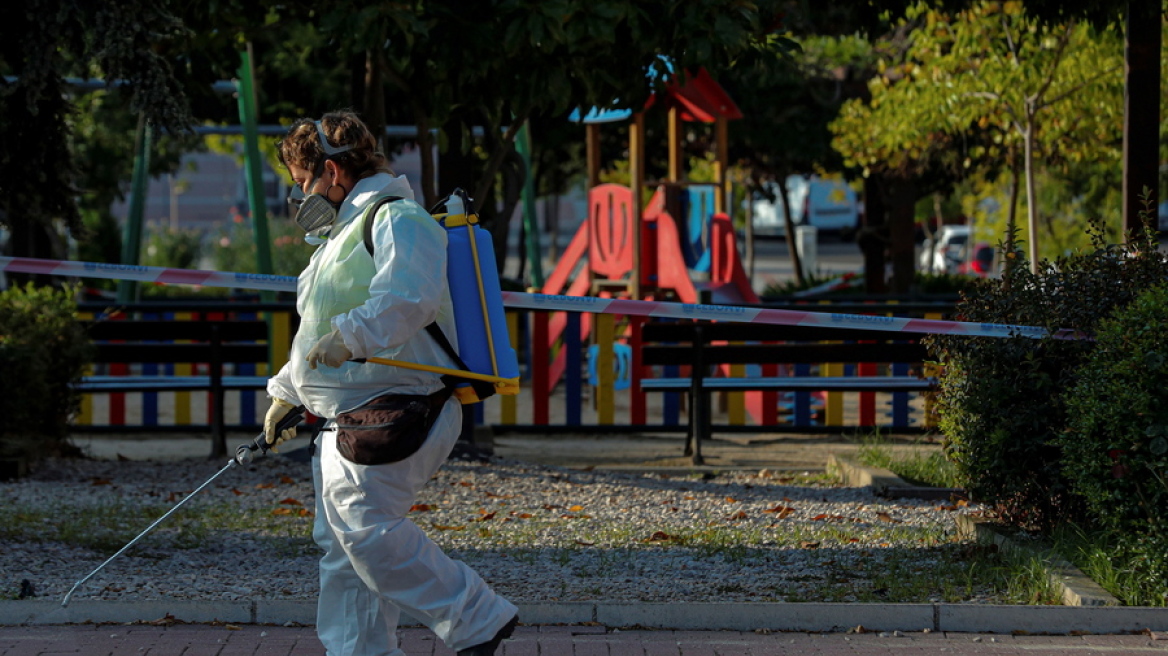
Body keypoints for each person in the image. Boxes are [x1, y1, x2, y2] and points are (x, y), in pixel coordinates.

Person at [263, 110, 518, 656]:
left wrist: (349, 337)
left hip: (401, 406)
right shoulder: (340, 236)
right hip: (350, 415)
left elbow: (408, 299)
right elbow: (316, 330)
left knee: (366, 531)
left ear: (333, 171)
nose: (299, 193)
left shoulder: (397, 218)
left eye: (303, 180)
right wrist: (288, 392)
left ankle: (477, 616)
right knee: (343, 551)